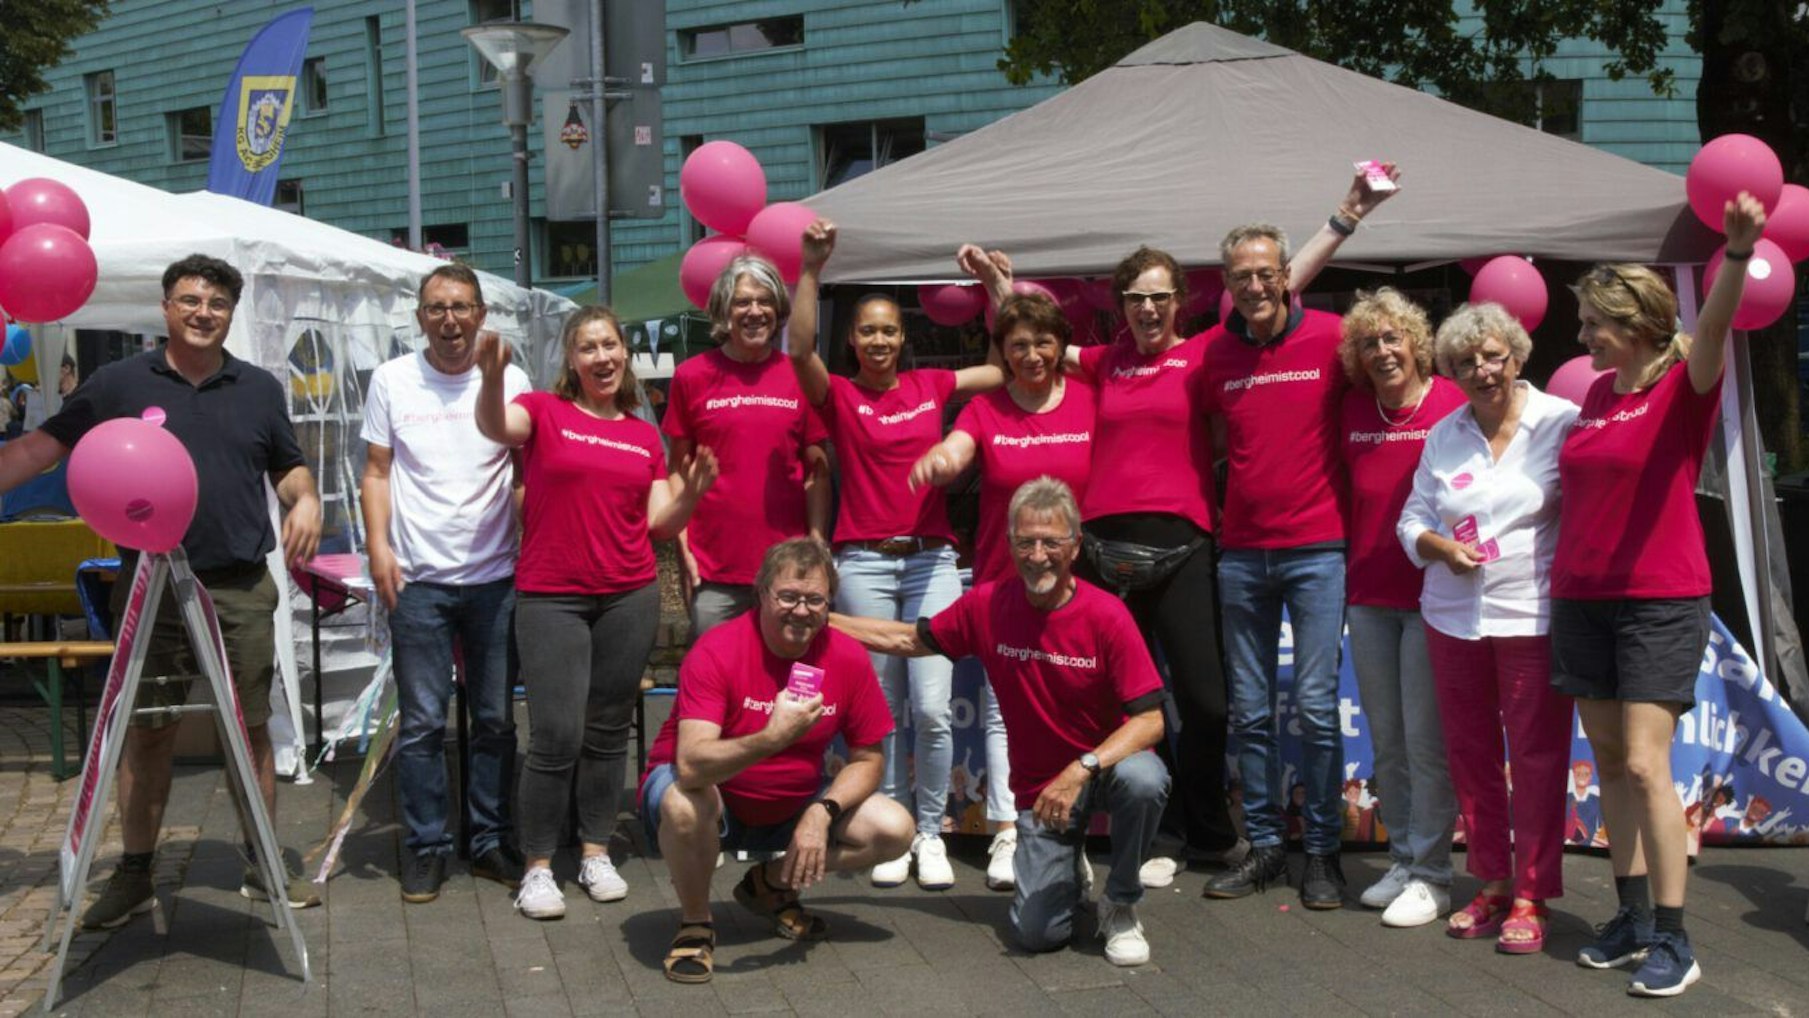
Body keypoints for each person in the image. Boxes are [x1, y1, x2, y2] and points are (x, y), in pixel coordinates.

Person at [0, 254, 323, 926]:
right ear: (166, 307)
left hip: (237, 587)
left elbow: (287, 466)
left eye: (216, 303)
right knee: (148, 733)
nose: (203, 312)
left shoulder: (259, 387)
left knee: (251, 731)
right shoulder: (118, 382)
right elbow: (45, 446)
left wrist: (307, 499)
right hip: (150, 590)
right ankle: (136, 874)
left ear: (230, 313)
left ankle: (263, 867)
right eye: (189, 300)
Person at [1552, 195, 1766, 997]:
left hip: (1658, 600)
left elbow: (1708, 331)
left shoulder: (1683, 388)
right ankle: (1632, 918)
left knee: (1646, 765)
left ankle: (1675, 938)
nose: (1581, 341)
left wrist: (1737, 254)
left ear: (1633, 322)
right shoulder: (1597, 398)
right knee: (1608, 762)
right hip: (1582, 600)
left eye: (1591, 327)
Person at [832, 477, 1169, 967]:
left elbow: (1152, 721)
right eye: (1026, 542)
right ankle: (1067, 869)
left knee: (1145, 779)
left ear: (1075, 546)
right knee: (1036, 935)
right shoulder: (988, 604)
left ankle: (1121, 902)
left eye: (1051, 542)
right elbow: (908, 639)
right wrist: (825, 619)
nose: (1038, 555)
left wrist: (1081, 770)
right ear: (1009, 545)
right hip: (1041, 793)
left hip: (1102, 771)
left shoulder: (1107, 615)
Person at [476, 306, 716, 919]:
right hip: (551, 595)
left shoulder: (642, 433)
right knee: (556, 733)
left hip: (628, 595)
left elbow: (661, 521)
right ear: (572, 359)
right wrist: (492, 377)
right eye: (589, 348)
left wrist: (691, 492)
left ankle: (594, 850)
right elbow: (497, 428)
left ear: (624, 354)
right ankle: (536, 867)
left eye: (610, 345)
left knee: (608, 732)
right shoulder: (544, 411)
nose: (602, 358)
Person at [1202, 166, 1401, 907]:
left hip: (1318, 553)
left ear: (1285, 276)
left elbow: (1398, 375)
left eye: (1264, 273)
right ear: (1226, 283)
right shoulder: (1216, 354)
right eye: (1238, 276)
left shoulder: (1330, 339)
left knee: (1315, 708)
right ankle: (1261, 847)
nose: (1252, 285)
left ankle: (1320, 852)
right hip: (1241, 557)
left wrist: (1349, 212)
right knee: (1248, 713)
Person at [788, 220, 1004, 890]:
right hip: (862, 565)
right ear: (851, 340)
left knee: (933, 708)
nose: (878, 341)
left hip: (932, 561)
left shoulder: (931, 386)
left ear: (902, 338)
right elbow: (797, 351)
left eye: (888, 330)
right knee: (877, 713)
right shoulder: (843, 395)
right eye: (866, 331)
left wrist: (997, 291)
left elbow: (1006, 366)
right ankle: (896, 829)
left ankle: (932, 833)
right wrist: (811, 270)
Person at [638, 538, 913, 984]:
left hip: (794, 801)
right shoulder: (717, 650)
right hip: (709, 795)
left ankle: (770, 884)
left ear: (829, 602)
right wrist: (773, 737)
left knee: (894, 829)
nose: (801, 611)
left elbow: (868, 759)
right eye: (788, 596)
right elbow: (691, 766)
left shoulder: (845, 656)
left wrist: (822, 814)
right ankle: (696, 922)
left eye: (814, 600)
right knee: (685, 805)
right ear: (762, 593)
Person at [1397, 301, 1579, 954]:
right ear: (1450, 370)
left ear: (1515, 356)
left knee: (1535, 760)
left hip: (1531, 617)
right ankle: (1491, 883)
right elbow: (1411, 516)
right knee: (1471, 757)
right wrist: (1438, 546)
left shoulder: (1560, 421)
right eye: (1466, 361)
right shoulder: (1442, 434)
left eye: (1492, 355)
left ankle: (1532, 893)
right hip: (1451, 618)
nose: (1482, 369)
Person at [911, 280, 1095, 891]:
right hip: (1005, 582)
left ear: (1060, 344)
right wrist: (941, 459)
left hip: (1078, 588)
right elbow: (957, 448)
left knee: (1077, 708)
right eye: (1018, 345)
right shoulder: (986, 409)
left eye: (1043, 342)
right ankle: (1010, 830)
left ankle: (1075, 826)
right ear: (1003, 350)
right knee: (1003, 711)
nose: (1032, 355)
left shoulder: (1089, 398)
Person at [360, 264, 528, 903]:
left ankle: (487, 840)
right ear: (420, 317)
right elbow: (376, 471)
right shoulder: (392, 380)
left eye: (461, 307)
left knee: (495, 720)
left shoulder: (511, 378)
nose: (450, 320)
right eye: (436, 308)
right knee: (425, 723)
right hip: (419, 579)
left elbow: (520, 468)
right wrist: (379, 548)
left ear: (482, 313)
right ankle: (427, 846)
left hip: (495, 578)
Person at [1336, 288, 1465, 926]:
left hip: (1432, 598)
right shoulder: (1353, 409)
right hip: (1367, 597)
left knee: (1425, 740)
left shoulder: (1452, 403)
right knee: (1387, 741)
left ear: (1417, 342)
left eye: (1393, 338)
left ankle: (1435, 875)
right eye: (1369, 342)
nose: (1383, 351)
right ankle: (1407, 856)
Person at [663, 254, 829, 637]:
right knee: (714, 684)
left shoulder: (799, 375)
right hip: (713, 572)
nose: (755, 311)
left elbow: (817, 468)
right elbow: (677, 471)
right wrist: (683, 547)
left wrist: (818, 538)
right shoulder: (691, 377)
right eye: (743, 302)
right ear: (724, 311)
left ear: (778, 309)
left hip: (790, 574)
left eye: (764, 301)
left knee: (792, 684)